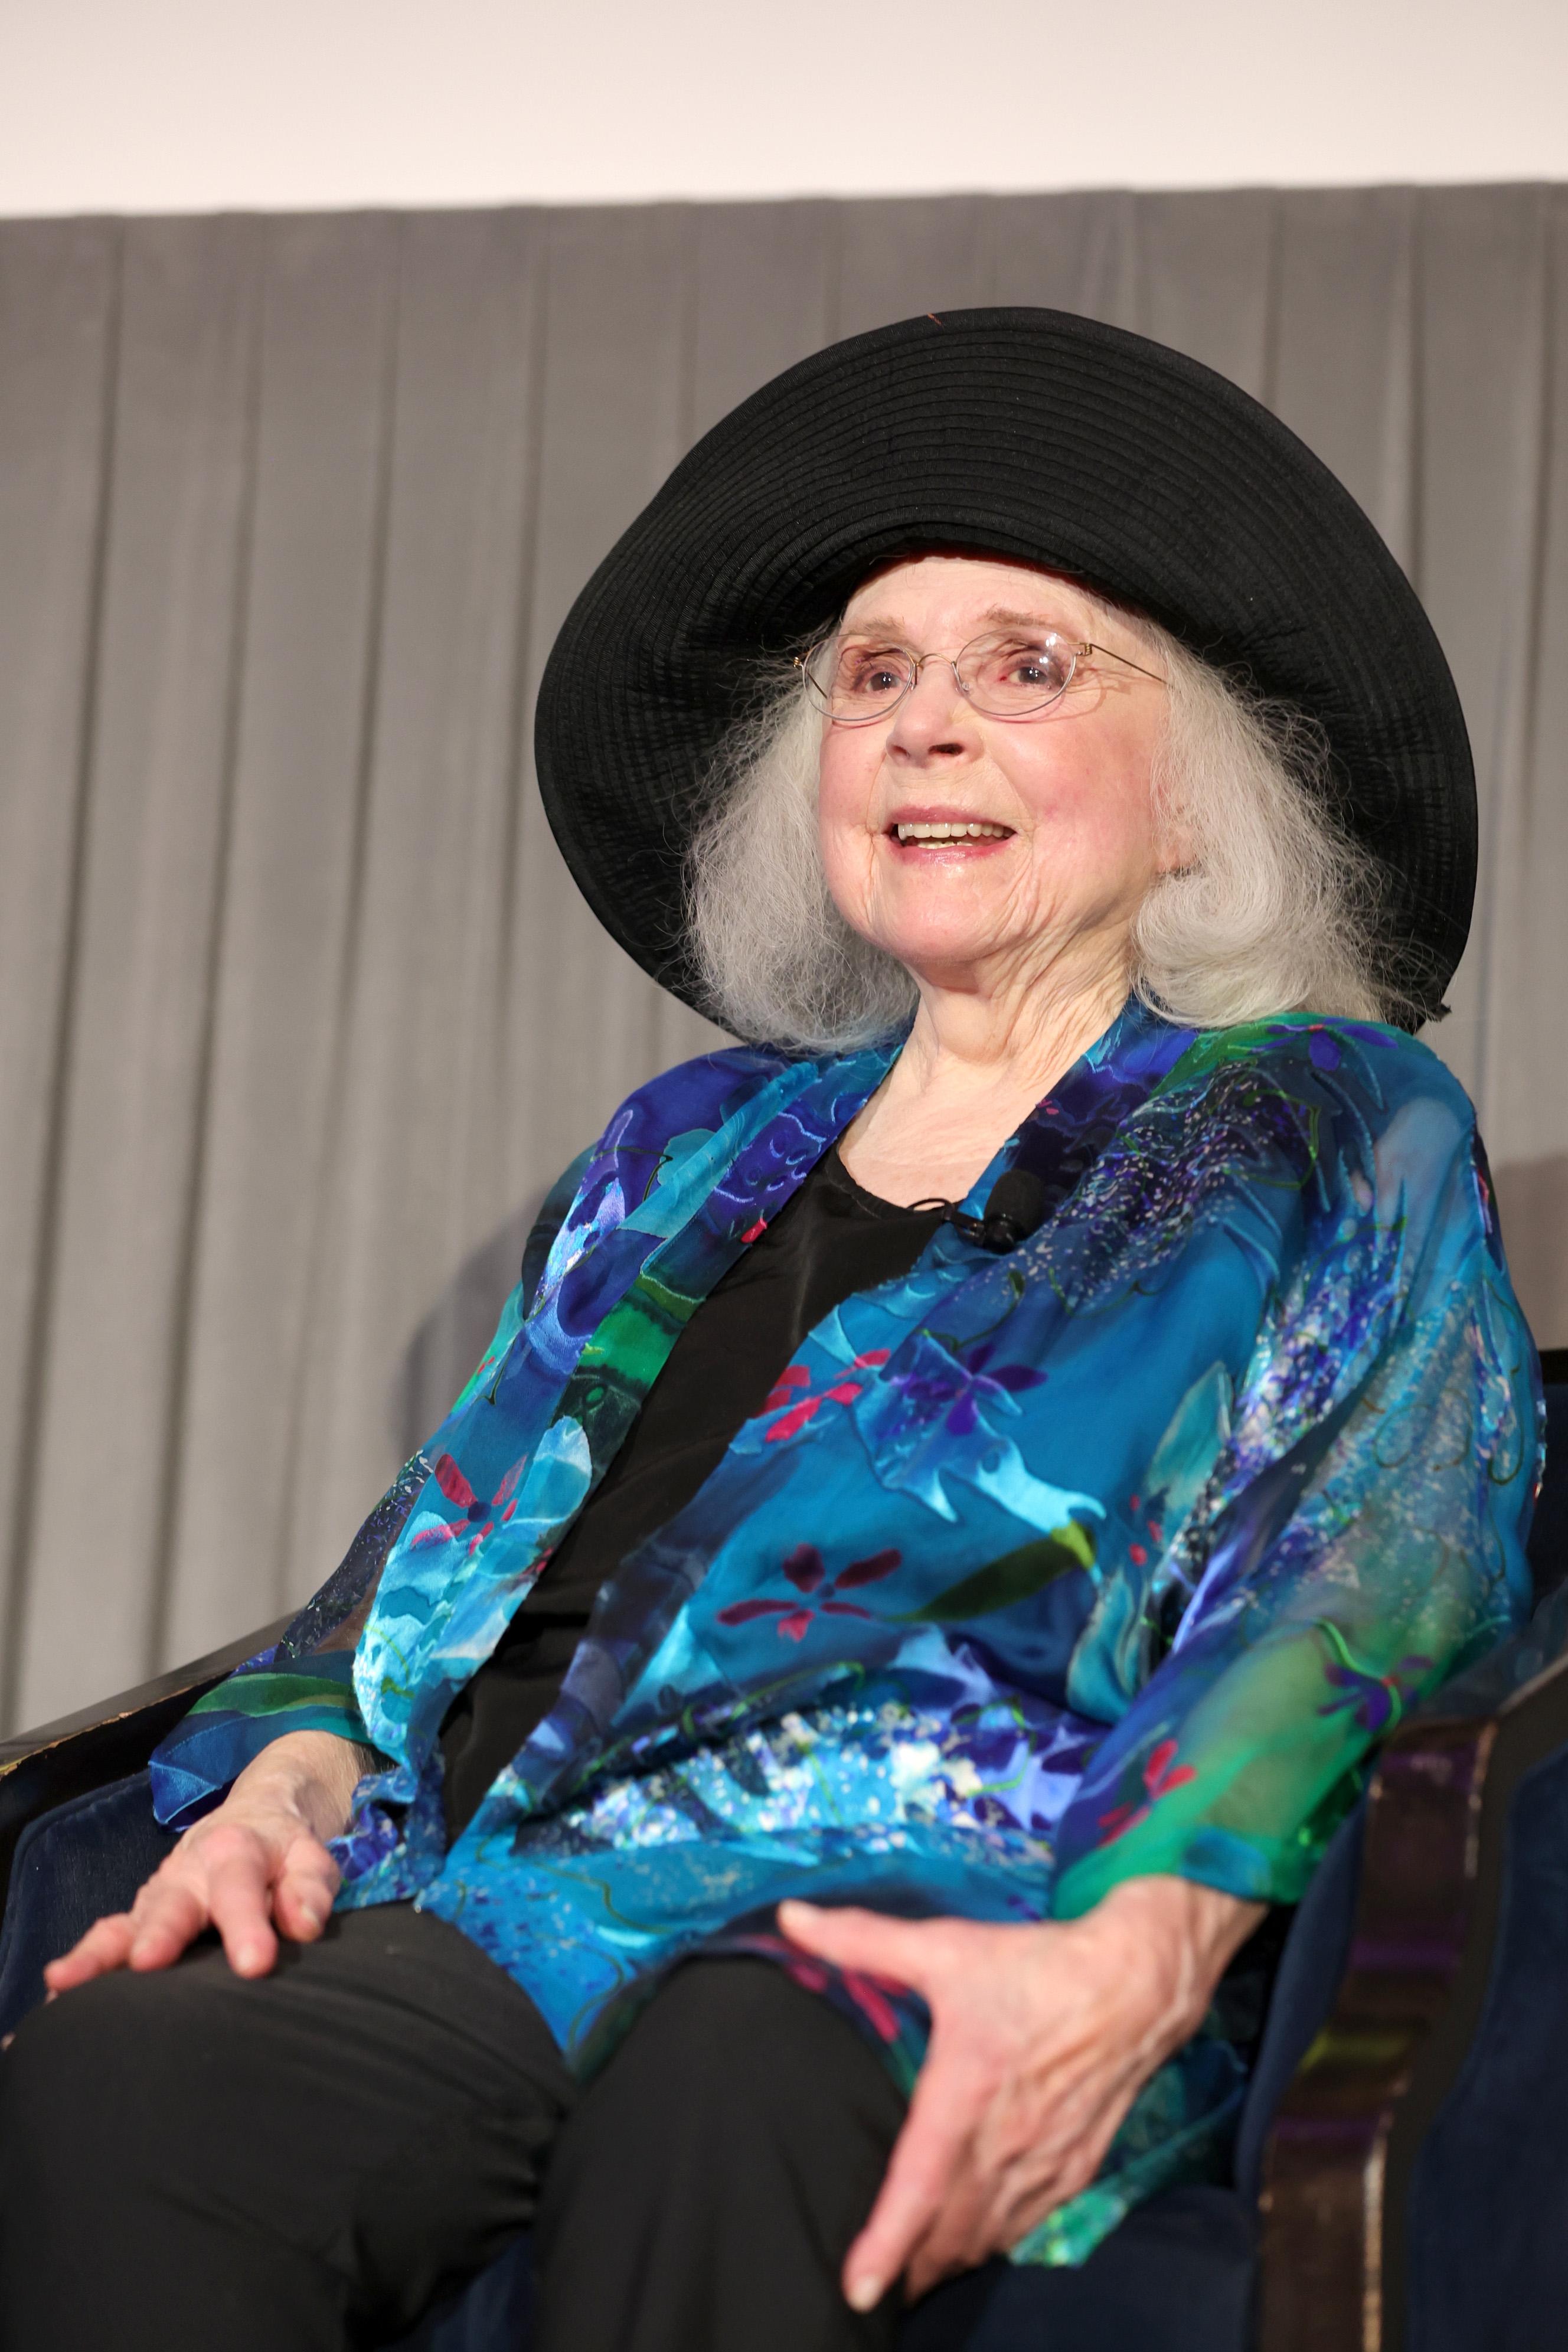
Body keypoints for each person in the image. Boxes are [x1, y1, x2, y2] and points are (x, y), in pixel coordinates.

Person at [0, 308, 1540, 2352]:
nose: (924, 725)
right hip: (523, 1907)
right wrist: (283, 1785)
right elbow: (389, 1591)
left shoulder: (1319, 1117)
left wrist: (1138, 1956)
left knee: (726, 2079)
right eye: (875, 675)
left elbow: (1387, 1565)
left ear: (1194, 806)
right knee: (137, 2090)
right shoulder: (683, 1150)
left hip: (954, 1921)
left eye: (1027, 668)